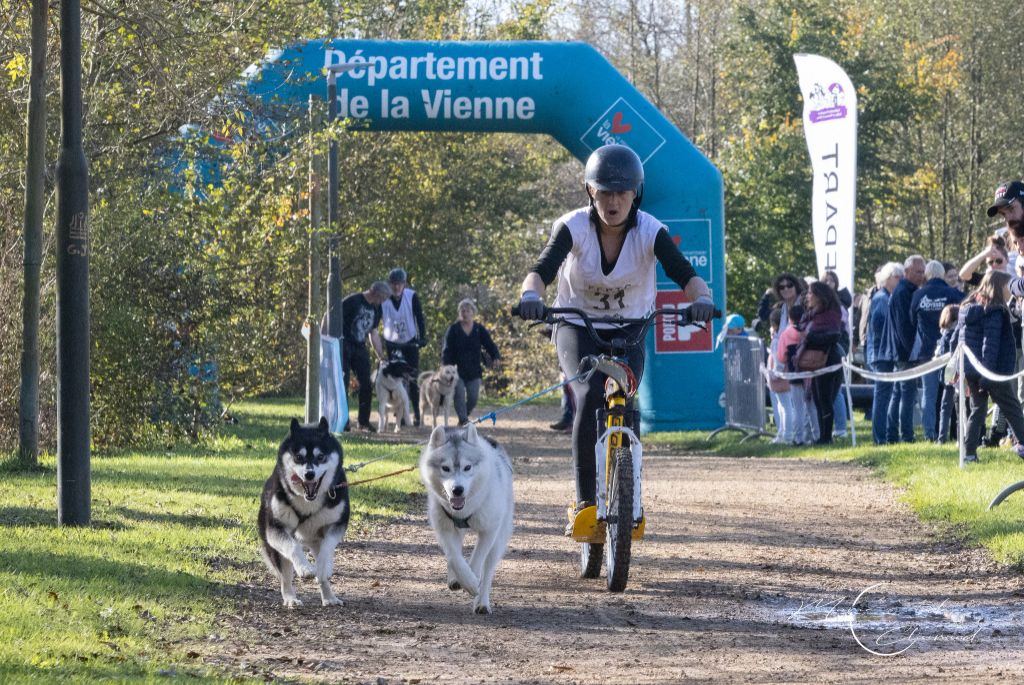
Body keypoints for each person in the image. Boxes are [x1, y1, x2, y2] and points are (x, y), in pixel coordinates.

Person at [515, 143, 714, 530]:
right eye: (605, 191)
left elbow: (685, 274)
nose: (613, 200)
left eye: (622, 192)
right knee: (589, 395)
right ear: (590, 191)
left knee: (624, 393)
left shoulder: (650, 231)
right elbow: (542, 269)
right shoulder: (573, 227)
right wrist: (530, 296)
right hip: (577, 324)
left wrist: (702, 299)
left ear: (635, 194)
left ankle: (630, 496)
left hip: (631, 328)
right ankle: (586, 503)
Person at [958, 270, 1024, 463]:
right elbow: (990, 345)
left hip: (971, 368)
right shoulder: (994, 311)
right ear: (998, 287)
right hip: (991, 370)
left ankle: (969, 453)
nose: (1010, 291)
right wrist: (986, 376)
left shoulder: (967, 309)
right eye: (1007, 287)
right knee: (1011, 407)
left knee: (977, 410)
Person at [910, 260, 964, 441]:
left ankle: (929, 434)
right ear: (942, 274)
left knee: (929, 395)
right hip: (951, 350)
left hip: (927, 352)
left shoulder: (918, 295)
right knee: (952, 393)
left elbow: (911, 320)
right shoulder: (953, 293)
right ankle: (954, 433)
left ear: (926, 274)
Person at [877, 255, 926, 443]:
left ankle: (892, 434)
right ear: (906, 272)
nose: (921, 275)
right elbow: (903, 325)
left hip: (900, 350)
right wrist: (911, 353)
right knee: (907, 393)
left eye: (922, 272)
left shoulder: (906, 290)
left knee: (899, 393)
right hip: (905, 352)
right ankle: (906, 435)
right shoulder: (904, 292)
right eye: (917, 272)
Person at [442, 298, 501, 426]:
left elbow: (490, 345)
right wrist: (446, 368)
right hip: (457, 371)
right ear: (459, 313)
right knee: (459, 395)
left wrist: (496, 356)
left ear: (473, 312)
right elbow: (447, 350)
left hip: (474, 370)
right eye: (462, 311)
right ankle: (463, 420)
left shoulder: (479, 329)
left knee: (473, 398)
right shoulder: (454, 330)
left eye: (467, 310)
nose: (464, 313)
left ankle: (464, 415)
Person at [341, 281, 391, 432]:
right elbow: (332, 318)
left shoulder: (377, 308)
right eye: (382, 299)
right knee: (342, 383)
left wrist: (380, 355)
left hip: (359, 346)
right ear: (376, 294)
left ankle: (363, 422)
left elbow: (373, 332)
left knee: (366, 383)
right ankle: (343, 421)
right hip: (344, 344)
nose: (382, 302)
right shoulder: (352, 301)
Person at [381, 267, 427, 426]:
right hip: (392, 343)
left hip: (410, 341)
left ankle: (417, 415)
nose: (396, 287)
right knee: (393, 380)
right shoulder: (384, 299)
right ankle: (398, 413)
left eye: (399, 284)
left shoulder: (411, 296)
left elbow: (419, 317)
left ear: (404, 284)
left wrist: (423, 337)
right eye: (393, 284)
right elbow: (377, 319)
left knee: (412, 379)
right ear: (390, 284)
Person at [800, 282, 844, 444]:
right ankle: (823, 436)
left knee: (825, 400)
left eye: (811, 293)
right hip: (817, 362)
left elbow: (833, 335)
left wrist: (810, 337)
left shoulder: (831, 315)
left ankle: (826, 437)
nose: (807, 297)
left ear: (820, 296)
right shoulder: (811, 314)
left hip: (829, 359)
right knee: (818, 400)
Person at [868, 262, 904, 444]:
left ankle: (888, 435)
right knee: (882, 397)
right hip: (882, 354)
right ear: (888, 278)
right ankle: (879, 438)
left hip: (885, 353)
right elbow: (879, 327)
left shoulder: (885, 297)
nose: (901, 280)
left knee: (888, 395)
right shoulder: (882, 299)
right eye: (898, 277)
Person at [778, 303, 815, 444]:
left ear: (789, 318)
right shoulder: (809, 331)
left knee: (798, 408)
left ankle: (798, 437)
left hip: (794, 374)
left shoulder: (786, 334)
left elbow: (781, 357)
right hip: (810, 373)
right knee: (812, 407)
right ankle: (815, 435)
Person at [935, 304, 959, 444]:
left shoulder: (945, 335)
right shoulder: (958, 333)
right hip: (957, 374)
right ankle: (957, 436)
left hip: (947, 375)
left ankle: (941, 438)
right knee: (958, 407)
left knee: (945, 407)